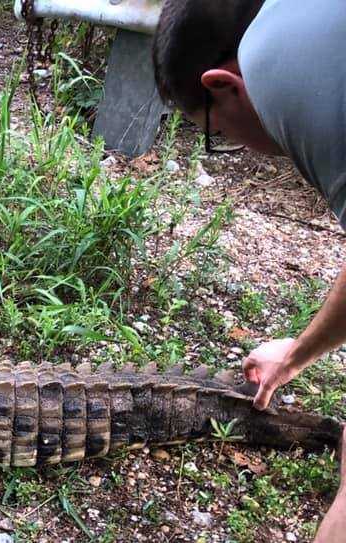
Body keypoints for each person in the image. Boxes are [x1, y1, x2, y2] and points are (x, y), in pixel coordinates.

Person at [151, 0, 346, 540]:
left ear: (223, 84)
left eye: (216, 134)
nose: (238, 146)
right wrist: (299, 353)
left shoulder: (298, 91)